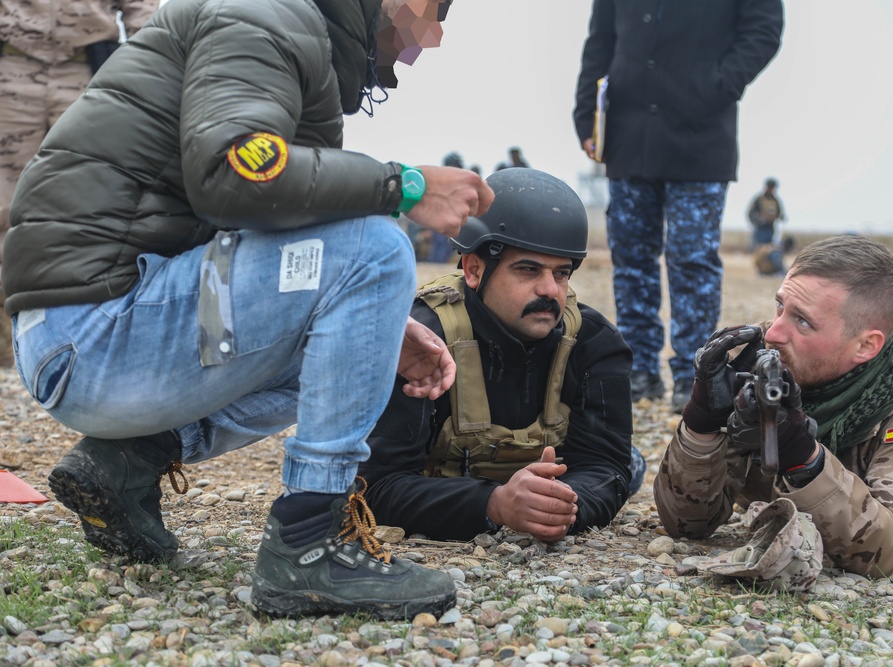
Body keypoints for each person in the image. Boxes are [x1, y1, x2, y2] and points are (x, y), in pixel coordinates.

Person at [3, 0, 496, 621]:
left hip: (86, 337)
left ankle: (127, 460)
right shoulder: (261, 16)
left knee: (363, 297)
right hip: (94, 333)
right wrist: (405, 185)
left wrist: (380, 327)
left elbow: (261, 230)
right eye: (431, 9)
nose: (435, 35)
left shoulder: (287, 34)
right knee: (379, 247)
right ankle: (307, 543)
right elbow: (233, 172)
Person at [654, 235, 893, 578]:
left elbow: (888, 554)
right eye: (780, 306)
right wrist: (701, 424)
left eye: (803, 321)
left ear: (866, 346)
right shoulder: (759, 361)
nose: (775, 332)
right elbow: (687, 524)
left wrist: (803, 457)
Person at [359, 168, 640, 543]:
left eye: (561, 273)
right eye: (528, 269)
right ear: (474, 269)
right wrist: (494, 505)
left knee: (633, 466)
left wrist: (563, 508)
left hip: (549, 487)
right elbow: (374, 486)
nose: (549, 290)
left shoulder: (594, 342)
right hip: (448, 489)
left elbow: (606, 466)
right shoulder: (420, 341)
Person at [572, 0, 783, 410]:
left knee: (692, 259)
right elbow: (599, 43)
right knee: (631, 259)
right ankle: (638, 370)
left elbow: (764, 29)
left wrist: (720, 83)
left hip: (701, 139)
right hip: (629, 136)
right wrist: (586, 116)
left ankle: (694, 374)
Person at [0, 0, 159, 368]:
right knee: (3, 206)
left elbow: (142, 8)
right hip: (11, 68)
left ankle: (69, 334)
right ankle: (9, 342)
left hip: (85, 72)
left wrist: (148, 63)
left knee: (84, 203)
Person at [747, 178, 785, 249]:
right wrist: (756, 220)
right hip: (761, 227)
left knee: (768, 247)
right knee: (760, 246)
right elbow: (751, 212)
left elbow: (779, 212)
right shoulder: (759, 199)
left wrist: (781, 217)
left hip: (770, 226)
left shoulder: (775, 200)